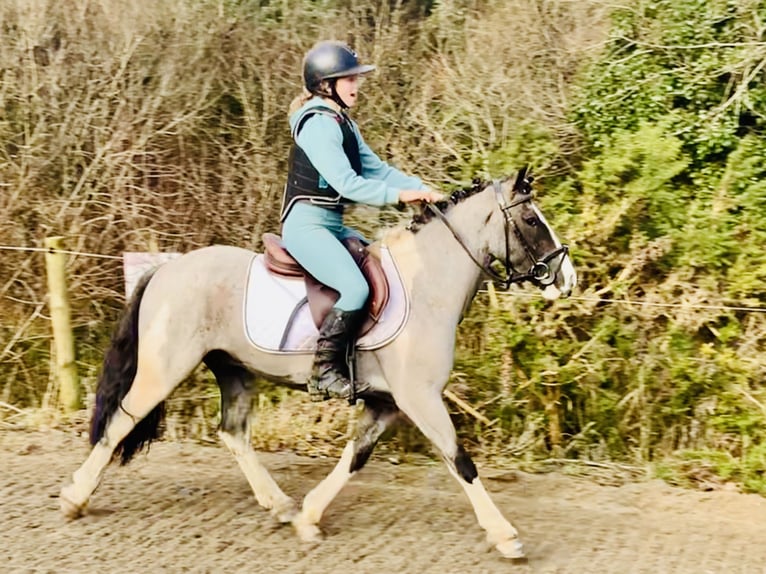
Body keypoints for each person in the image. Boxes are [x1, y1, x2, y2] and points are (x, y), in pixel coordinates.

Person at [280, 40, 443, 402]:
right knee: (356, 288)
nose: (356, 85)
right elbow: (347, 184)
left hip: (332, 225)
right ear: (326, 85)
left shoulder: (342, 123)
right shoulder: (317, 125)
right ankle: (324, 373)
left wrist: (425, 190)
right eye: (348, 78)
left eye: (356, 77)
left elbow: (377, 170)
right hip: (307, 227)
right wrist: (401, 196)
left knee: (381, 268)